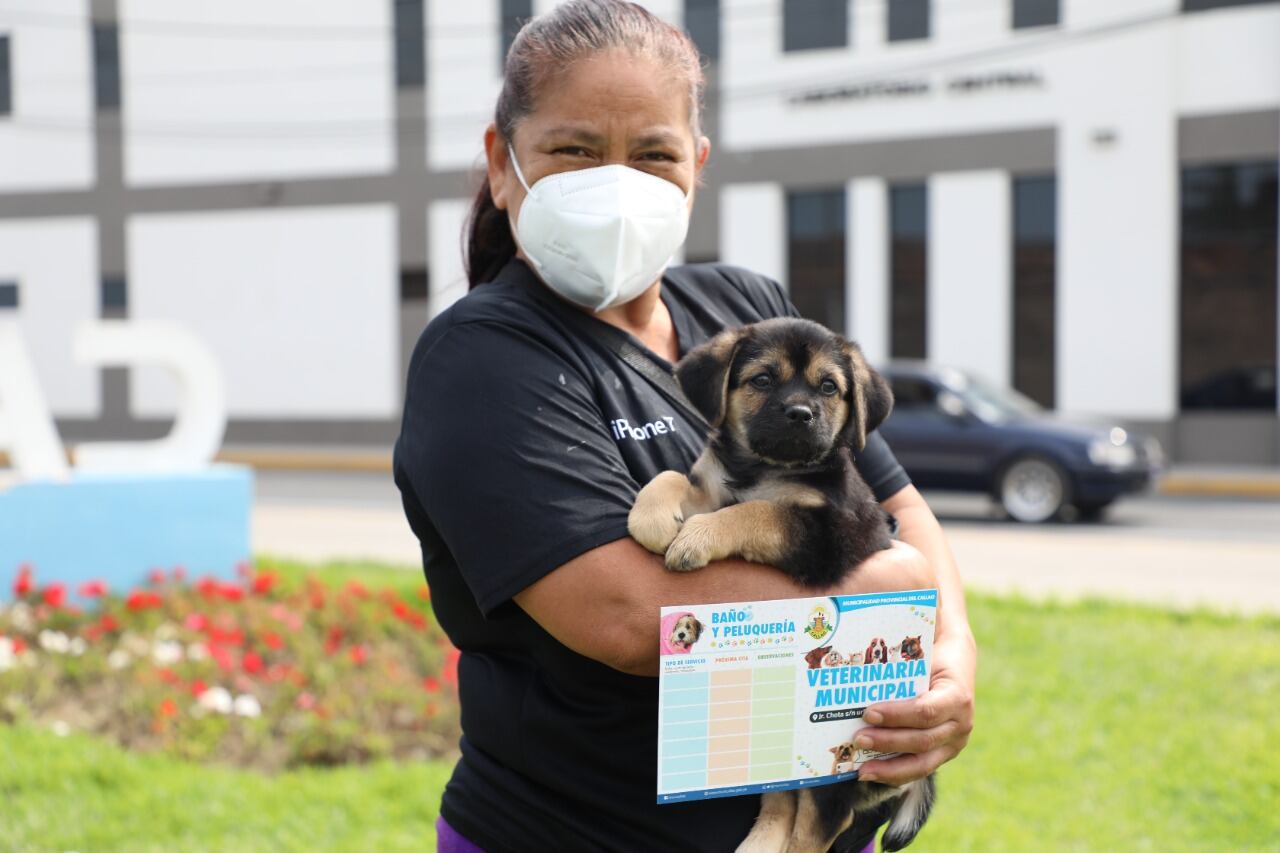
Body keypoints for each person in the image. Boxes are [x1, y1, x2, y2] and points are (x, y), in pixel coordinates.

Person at [392, 2, 976, 850]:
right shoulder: (483, 358)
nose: (616, 182)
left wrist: (951, 659)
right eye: (575, 149)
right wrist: (878, 591)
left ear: (697, 165)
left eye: (654, 153)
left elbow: (902, 503)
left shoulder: (747, 309)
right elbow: (632, 618)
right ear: (501, 161)